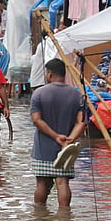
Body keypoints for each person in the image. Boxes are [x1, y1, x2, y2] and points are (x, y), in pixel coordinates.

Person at [30, 58, 86, 209]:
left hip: (43, 147)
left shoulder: (38, 93)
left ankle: (40, 216)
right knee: (63, 182)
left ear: (48, 74)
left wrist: (55, 136)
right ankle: (64, 216)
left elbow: (36, 120)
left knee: (42, 183)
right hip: (66, 148)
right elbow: (81, 122)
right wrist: (69, 140)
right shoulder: (77, 95)